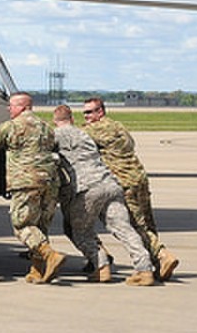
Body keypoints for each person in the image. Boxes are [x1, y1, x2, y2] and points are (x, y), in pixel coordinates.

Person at [0, 92, 67, 283]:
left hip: (26, 181)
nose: (8, 109)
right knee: (39, 226)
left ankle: (50, 255)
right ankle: (38, 270)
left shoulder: (12, 126)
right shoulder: (46, 127)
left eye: (11, 106)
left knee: (22, 225)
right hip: (49, 182)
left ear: (22, 107)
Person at [52, 105, 155, 286]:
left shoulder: (55, 136)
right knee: (123, 228)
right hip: (110, 184)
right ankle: (144, 268)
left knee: (79, 232)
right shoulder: (85, 135)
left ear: (55, 121)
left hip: (87, 190)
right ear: (72, 119)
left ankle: (101, 267)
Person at [81, 97, 180, 281]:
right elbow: (131, 143)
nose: (86, 116)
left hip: (124, 182)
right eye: (84, 112)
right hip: (139, 177)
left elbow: (73, 138)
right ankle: (157, 265)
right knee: (148, 222)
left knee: (135, 225)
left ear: (100, 112)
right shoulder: (119, 126)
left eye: (89, 112)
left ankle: (163, 255)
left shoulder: (93, 130)